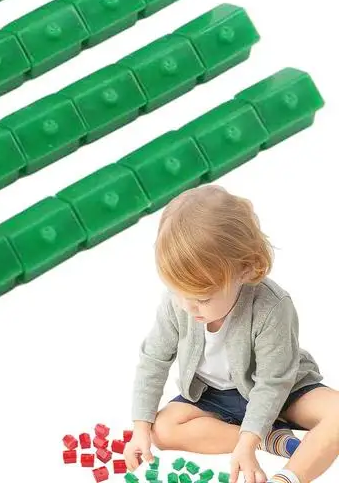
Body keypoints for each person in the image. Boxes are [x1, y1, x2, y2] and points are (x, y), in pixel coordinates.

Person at [124, 185, 338, 483]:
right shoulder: (178, 303)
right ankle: (268, 438)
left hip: (281, 388)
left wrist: (248, 441)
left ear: (245, 270)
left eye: (203, 298)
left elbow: (272, 383)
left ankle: (287, 477)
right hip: (214, 395)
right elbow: (154, 361)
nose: (188, 307)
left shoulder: (272, 307)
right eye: (179, 293)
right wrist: (140, 428)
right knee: (162, 430)